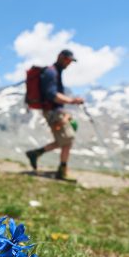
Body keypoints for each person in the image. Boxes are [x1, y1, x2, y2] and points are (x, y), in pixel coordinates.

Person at [25, 49, 84, 181]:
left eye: (70, 61)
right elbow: (52, 95)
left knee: (63, 140)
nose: (68, 64)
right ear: (60, 57)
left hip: (56, 111)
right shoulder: (51, 72)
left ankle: (35, 154)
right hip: (53, 112)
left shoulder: (56, 72)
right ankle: (62, 172)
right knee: (68, 139)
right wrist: (72, 101)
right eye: (67, 60)